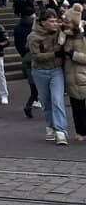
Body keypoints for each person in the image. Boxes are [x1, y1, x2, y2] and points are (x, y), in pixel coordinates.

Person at [29, 8, 69, 145]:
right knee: (46, 102)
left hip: (56, 70)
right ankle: (50, 126)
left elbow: (72, 29)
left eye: (55, 21)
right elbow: (36, 57)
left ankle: (61, 131)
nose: (54, 24)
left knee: (57, 100)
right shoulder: (34, 37)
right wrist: (54, 54)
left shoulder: (59, 31)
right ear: (43, 22)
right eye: (51, 21)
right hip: (40, 71)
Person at [63, 3, 86, 141]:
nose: (66, 25)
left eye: (68, 23)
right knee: (76, 108)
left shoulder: (83, 38)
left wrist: (74, 55)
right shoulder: (65, 37)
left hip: (83, 76)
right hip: (71, 77)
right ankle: (80, 131)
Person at [13, 11, 41, 116]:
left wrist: (23, 54)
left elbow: (19, 45)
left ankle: (29, 105)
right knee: (41, 88)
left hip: (26, 58)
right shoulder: (35, 34)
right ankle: (32, 105)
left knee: (33, 88)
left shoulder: (21, 31)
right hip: (36, 61)